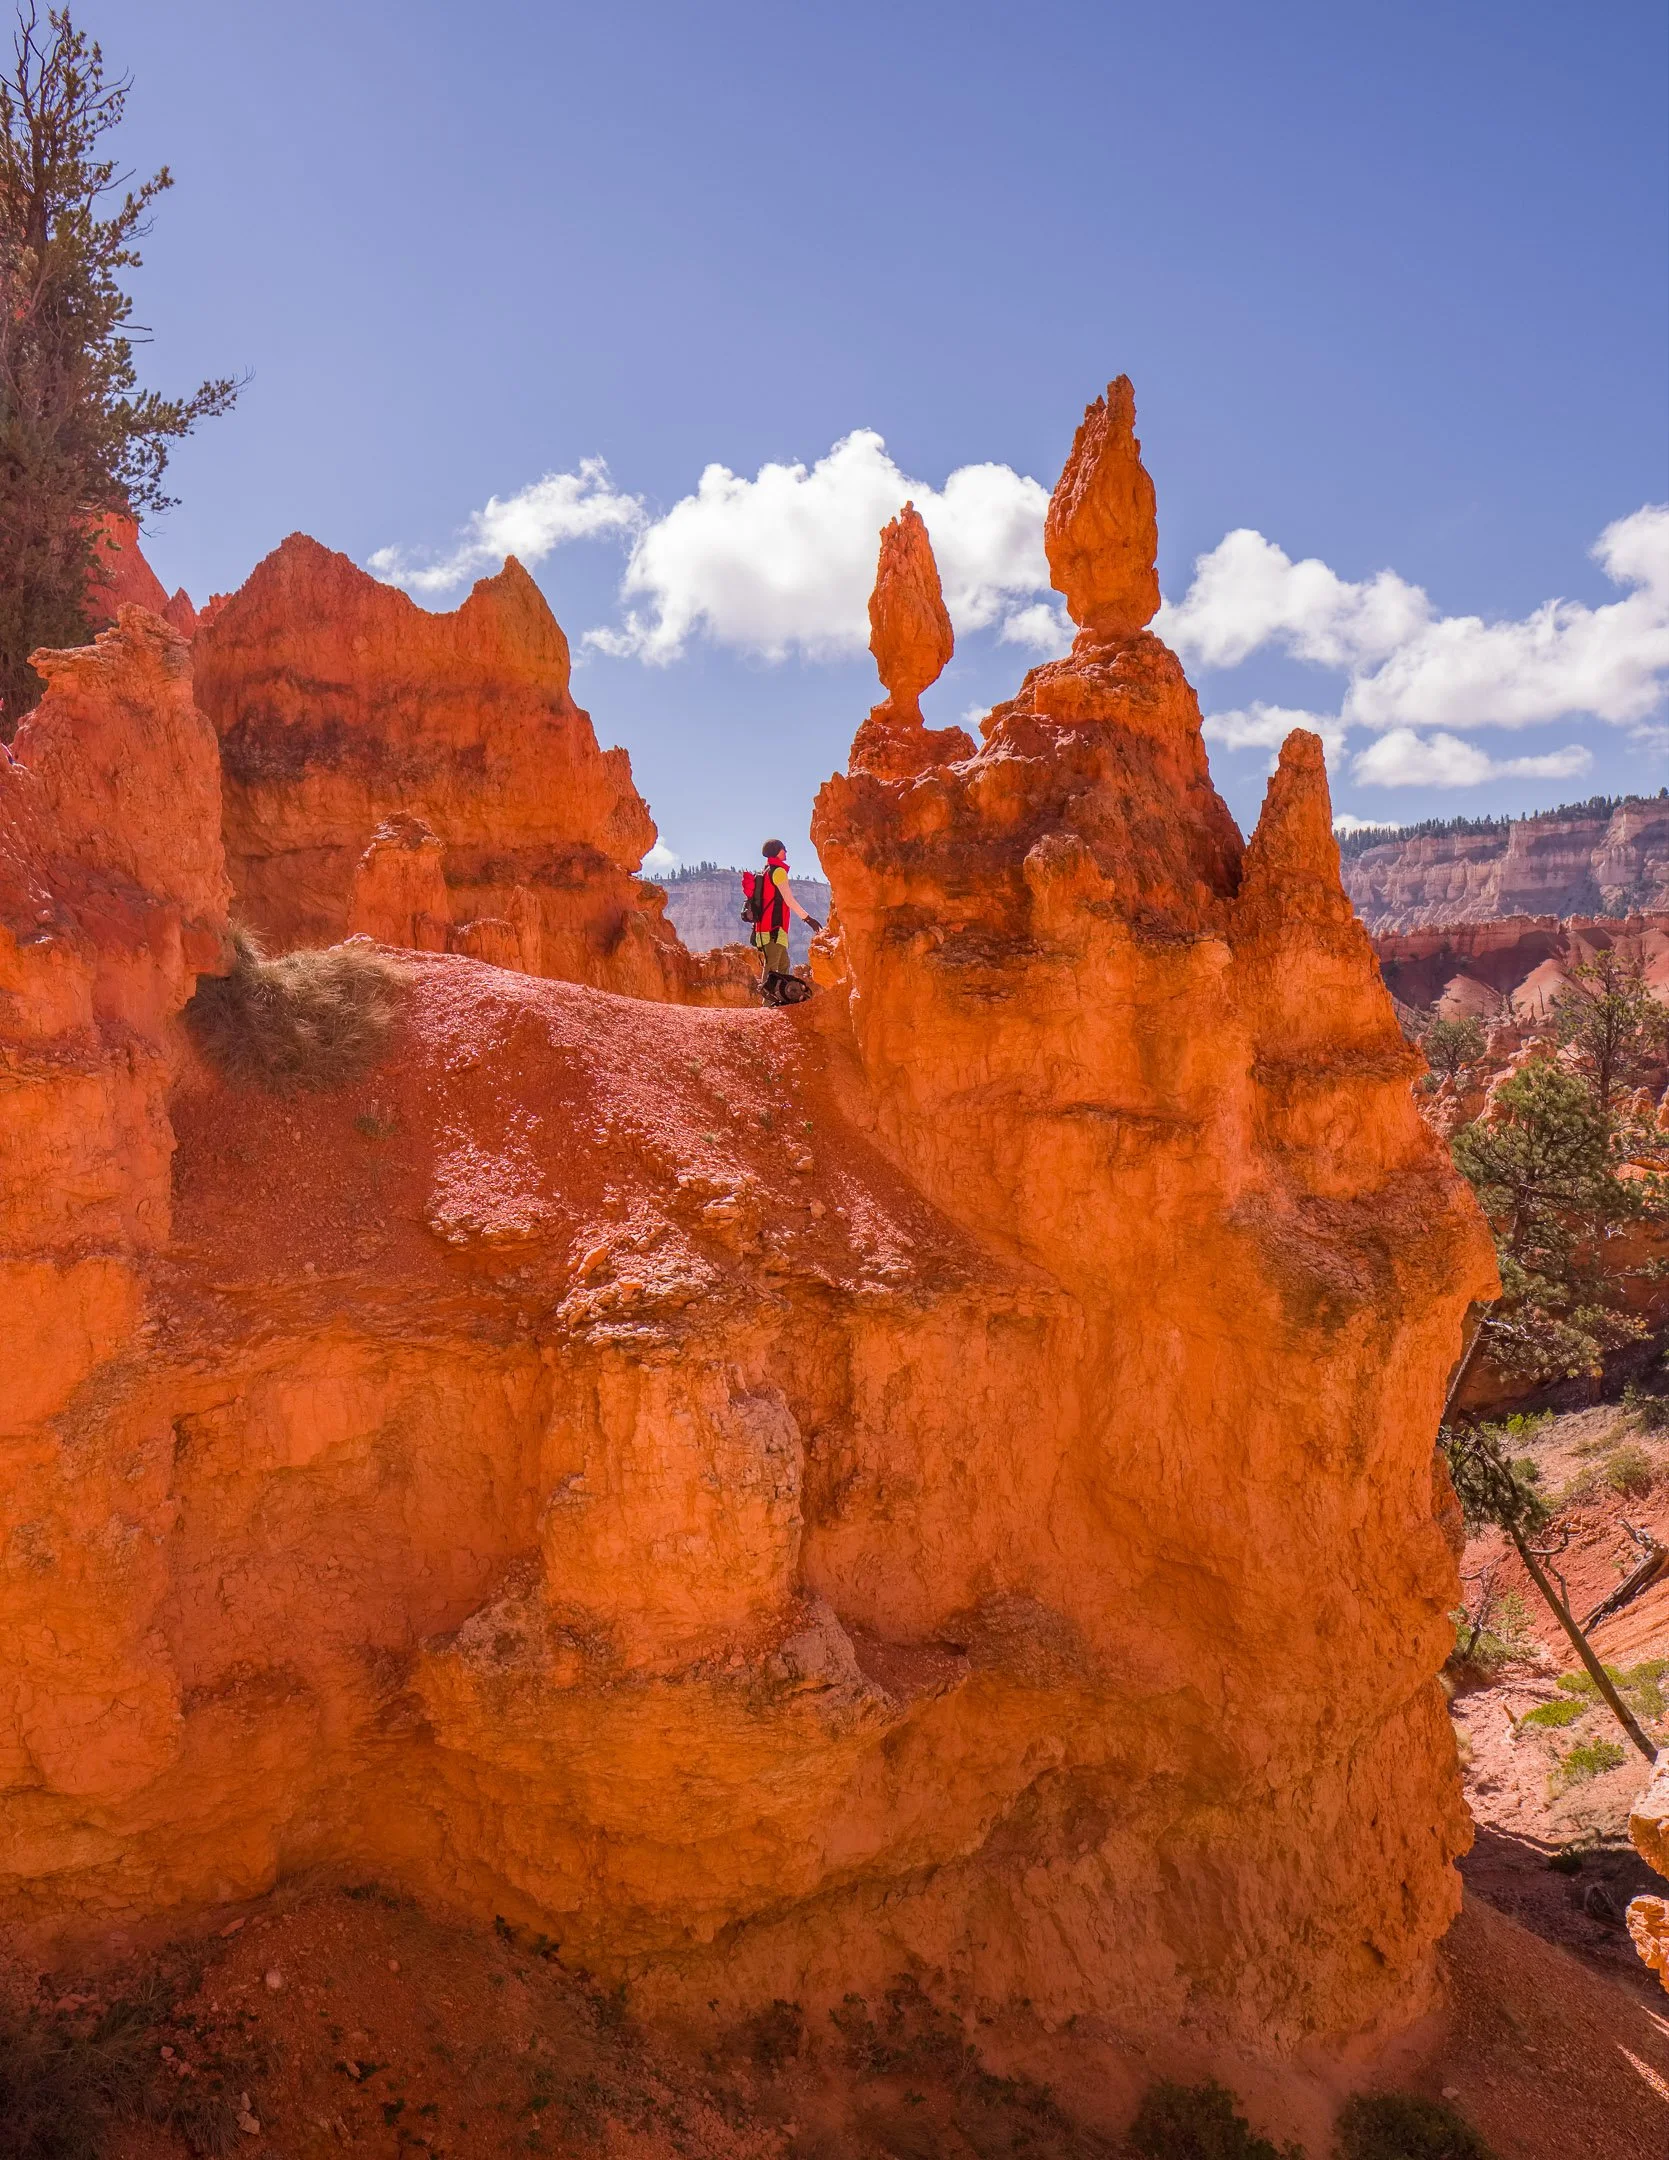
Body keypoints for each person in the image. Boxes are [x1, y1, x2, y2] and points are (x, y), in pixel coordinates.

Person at [750, 839, 822, 1004]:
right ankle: (767, 1007)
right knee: (772, 967)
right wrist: (808, 919)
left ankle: (780, 1003)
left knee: (784, 965)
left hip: (767, 928)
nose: (786, 852)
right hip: (773, 928)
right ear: (776, 851)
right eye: (784, 849)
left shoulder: (766, 870)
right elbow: (789, 900)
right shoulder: (778, 872)